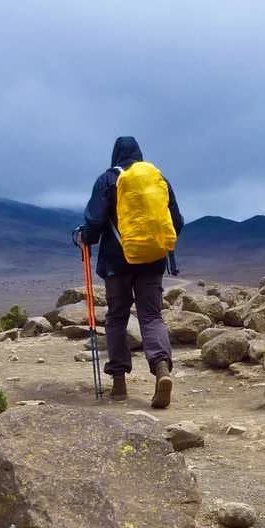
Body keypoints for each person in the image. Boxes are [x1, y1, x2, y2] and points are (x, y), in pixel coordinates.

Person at [75, 136, 184, 408]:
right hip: (152, 261)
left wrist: (85, 237)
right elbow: (176, 221)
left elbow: (95, 221)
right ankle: (161, 369)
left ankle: (119, 383)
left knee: (117, 318)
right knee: (151, 316)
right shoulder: (157, 178)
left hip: (116, 262)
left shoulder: (107, 180)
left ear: (115, 155)